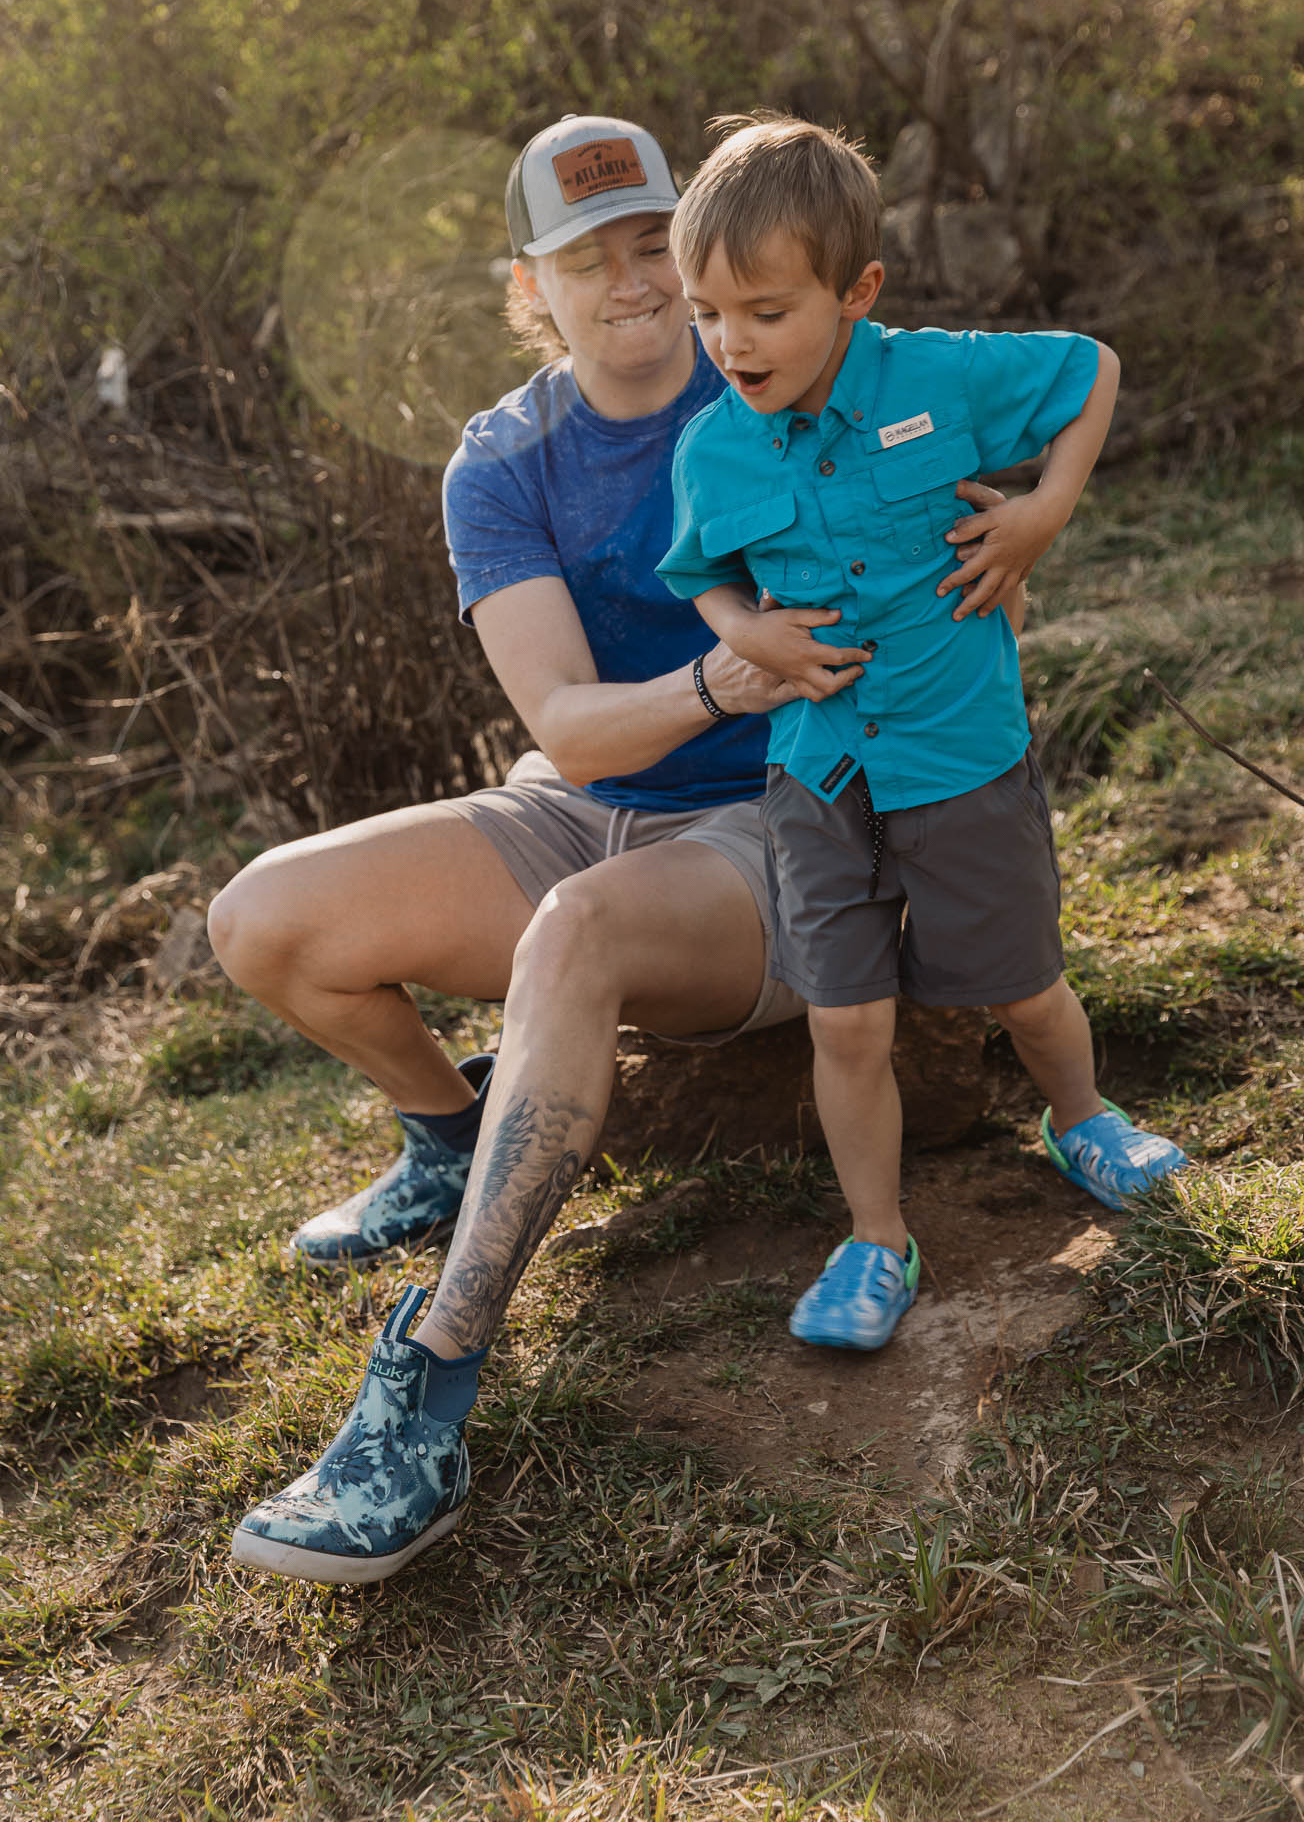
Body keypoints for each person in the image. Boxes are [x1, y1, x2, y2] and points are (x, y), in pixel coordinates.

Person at [210, 113, 1018, 1584]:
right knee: (262, 919)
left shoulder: (792, 371)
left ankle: (433, 1382)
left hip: (791, 825)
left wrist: (1019, 524)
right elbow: (572, 730)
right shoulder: (504, 460)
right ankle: (453, 1139)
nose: (637, 283)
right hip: (594, 795)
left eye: (657, 245)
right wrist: (721, 674)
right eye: (592, 259)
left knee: (574, 930)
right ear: (534, 287)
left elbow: (969, 490)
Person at [657, 114, 1187, 1355]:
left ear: (857, 291)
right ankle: (876, 1234)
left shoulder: (940, 377)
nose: (733, 342)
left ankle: (1083, 1118)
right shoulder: (712, 445)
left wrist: (1040, 513)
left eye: (768, 310)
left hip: (959, 752)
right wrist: (755, 641)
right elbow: (703, 576)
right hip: (817, 771)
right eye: (706, 312)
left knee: (1023, 984)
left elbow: (1090, 367)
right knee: (846, 1019)